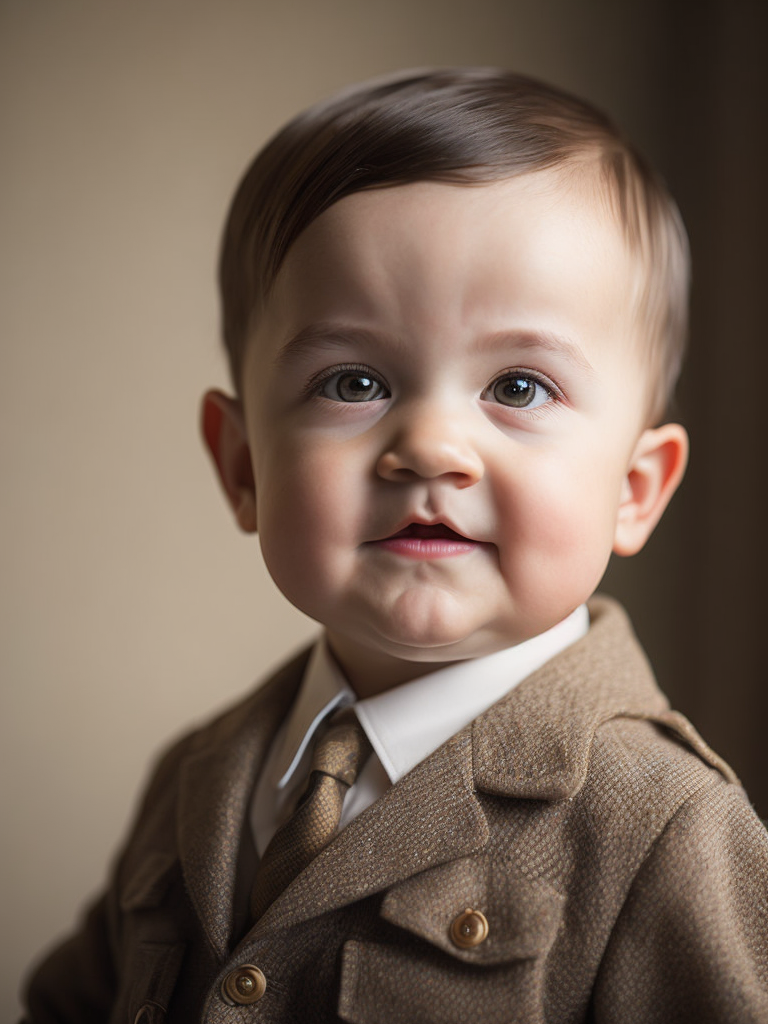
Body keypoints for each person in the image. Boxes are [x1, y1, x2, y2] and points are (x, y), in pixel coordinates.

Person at [21, 68, 768, 1024]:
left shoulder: (664, 829)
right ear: (243, 465)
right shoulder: (197, 777)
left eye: (519, 388)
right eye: (354, 382)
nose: (430, 447)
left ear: (633, 490)